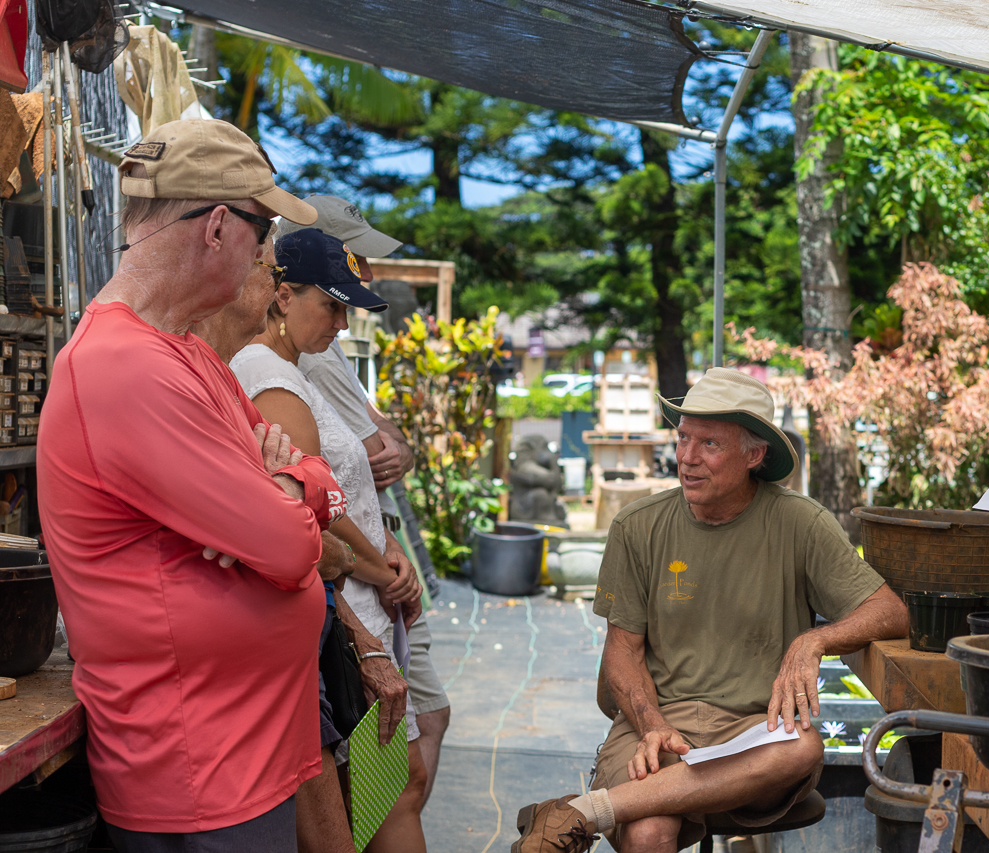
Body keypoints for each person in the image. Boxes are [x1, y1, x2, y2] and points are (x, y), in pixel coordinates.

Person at [37, 118, 343, 851]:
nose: (268, 255)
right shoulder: (125, 366)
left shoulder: (183, 354)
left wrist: (287, 484)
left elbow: (315, 478)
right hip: (200, 773)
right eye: (262, 228)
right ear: (215, 227)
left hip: (237, 755)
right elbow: (286, 544)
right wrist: (281, 495)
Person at [512, 368, 907, 853]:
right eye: (683, 439)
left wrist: (814, 641)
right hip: (656, 719)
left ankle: (582, 812)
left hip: (752, 731)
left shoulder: (800, 523)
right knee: (649, 829)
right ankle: (620, 805)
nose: (686, 458)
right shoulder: (638, 527)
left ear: (754, 455)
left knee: (803, 746)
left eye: (710, 445)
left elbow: (890, 611)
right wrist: (654, 725)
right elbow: (621, 654)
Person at [192, 253, 413, 853]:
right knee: (367, 801)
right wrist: (379, 571)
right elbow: (312, 526)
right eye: (331, 305)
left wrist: (383, 554)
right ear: (281, 295)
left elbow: (329, 499)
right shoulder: (268, 374)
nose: (341, 323)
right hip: (333, 609)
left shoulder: (297, 364)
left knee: (379, 794)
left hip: (348, 600)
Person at [279, 196, 450, 808]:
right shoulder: (295, 358)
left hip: (373, 566)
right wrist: (380, 568)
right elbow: (324, 497)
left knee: (396, 768)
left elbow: (388, 444)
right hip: (361, 577)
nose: (365, 280)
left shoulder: (319, 342)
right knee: (388, 774)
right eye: (351, 264)